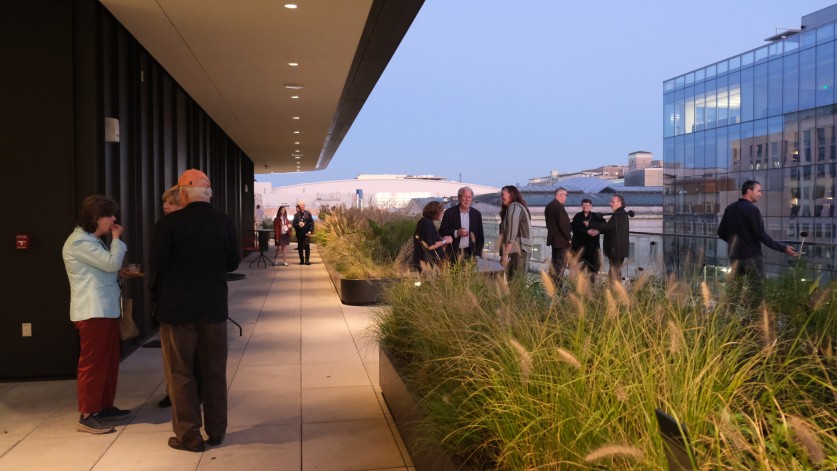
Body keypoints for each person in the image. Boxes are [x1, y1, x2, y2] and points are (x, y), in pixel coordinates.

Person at [150, 169, 240, 452]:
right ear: (208, 194)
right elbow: (232, 263)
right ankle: (217, 430)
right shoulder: (224, 222)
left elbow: (158, 265)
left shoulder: (168, 225)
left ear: (184, 193)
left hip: (177, 312)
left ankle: (189, 436)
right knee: (214, 371)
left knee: (180, 373)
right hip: (213, 309)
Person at [62, 195, 131, 434]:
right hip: (92, 311)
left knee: (109, 361)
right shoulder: (79, 242)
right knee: (93, 363)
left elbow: (104, 268)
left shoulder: (91, 240)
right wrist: (116, 239)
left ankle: (103, 406)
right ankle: (88, 413)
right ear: (96, 217)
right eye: (109, 215)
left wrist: (118, 271)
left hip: (104, 309)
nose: (113, 219)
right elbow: (110, 264)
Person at [156, 185, 200, 409]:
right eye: (164, 203)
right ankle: (174, 393)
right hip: (193, 302)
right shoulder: (168, 226)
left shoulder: (170, 228)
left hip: (179, 302)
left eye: (171, 203)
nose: (165, 206)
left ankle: (181, 399)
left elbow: (160, 264)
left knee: (178, 357)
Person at [717, 180, 798, 280]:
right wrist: (783, 248)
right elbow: (761, 235)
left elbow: (720, 232)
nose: (760, 194)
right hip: (751, 257)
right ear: (749, 191)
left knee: (736, 290)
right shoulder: (752, 209)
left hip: (734, 256)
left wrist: (736, 243)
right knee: (756, 290)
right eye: (758, 191)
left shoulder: (730, 208)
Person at [586, 194, 629, 282]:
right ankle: (615, 291)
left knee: (614, 273)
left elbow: (609, 225)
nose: (610, 203)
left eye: (612, 202)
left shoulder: (620, 213)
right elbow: (611, 228)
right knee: (615, 272)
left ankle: (614, 291)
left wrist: (590, 224)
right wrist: (599, 231)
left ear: (619, 203)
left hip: (616, 249)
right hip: (616, 249)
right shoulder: (618, 213)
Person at [439, 186, 484, 263]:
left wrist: (478, 254)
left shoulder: (477, 214)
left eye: (469, 197)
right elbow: (442, 232)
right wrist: (457, 232)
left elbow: (480, 236)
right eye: (464, 196)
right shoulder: (449, 213)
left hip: (470, 253)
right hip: (452, 253)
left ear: (472, 198)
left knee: (468, 275)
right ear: (459, 198)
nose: (467, 199)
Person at [499, 185, 532, 280]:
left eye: (503, 195)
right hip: (516, 252)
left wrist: (504, 255)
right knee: (515, 286)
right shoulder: (513, 208)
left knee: (515, 286)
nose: (502, 197)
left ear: (511, 194)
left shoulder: (514, 207)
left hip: (519, 252)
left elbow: (511, 234)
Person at [571, 198, 605, 281]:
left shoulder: (596, 216)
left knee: (593, 270)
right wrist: (587, 231)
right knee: (580, 271)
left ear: (591, 206)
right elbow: (574, 228)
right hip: (580, 246)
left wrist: (598, 231)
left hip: (592, 247)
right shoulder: (578, 216)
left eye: (587, 205)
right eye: (583, 205)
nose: (585, 207)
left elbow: (604, 226)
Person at [413, 201, 453, 271]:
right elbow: (430, 246)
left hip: (426, 262)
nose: (443, 214)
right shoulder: (428, 224)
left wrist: (441, 239)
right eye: (442, 212)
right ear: (436, 212)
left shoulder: (425, 221)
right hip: (428, 264)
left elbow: (429, 238)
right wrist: (445, 241)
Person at [544, 187, 572, 280]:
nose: (566, 198)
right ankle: (557, 289)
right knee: (560, 267)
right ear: (560, 195)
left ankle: (551, 287)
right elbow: (563, 224)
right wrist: (569, 238)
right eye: (565, 195)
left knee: (554, 264)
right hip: (562, 242)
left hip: (554, 241)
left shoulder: (549, 206)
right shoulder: (559, 207)